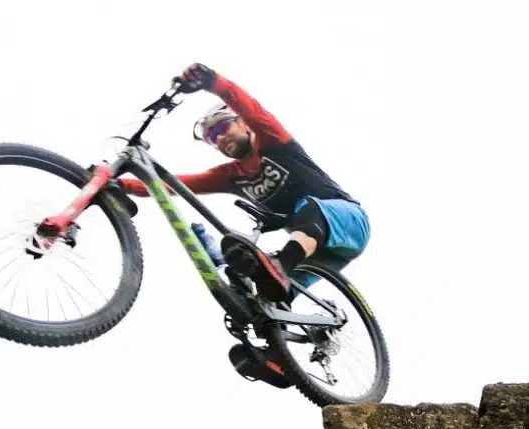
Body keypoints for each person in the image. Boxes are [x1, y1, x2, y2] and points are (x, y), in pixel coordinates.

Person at [118, 63, 371, 389]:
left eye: (223, 128)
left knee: (305, 210)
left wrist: (210, 80)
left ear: (241, 124)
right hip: (317, 252)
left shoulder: (272, 141)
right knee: (267, 298)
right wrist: (121, 184)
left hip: (347, 221)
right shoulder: (231, 176)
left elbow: (247, 104)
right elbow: (173, 185)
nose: (220, 139)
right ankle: (280, 359)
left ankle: (280, 267)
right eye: (213, 138)